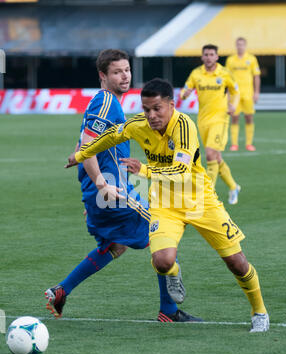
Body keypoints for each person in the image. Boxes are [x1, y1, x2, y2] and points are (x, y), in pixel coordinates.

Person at [65, 78, 270, 333]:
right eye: (146, 109)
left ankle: (259, 311)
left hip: (198, 199)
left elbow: (182, 171)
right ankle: (174, 272)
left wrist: (145, 170)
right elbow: (109, 137)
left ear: (171, 105)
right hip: (164, 203)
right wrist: (81, 155)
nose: (151, 115)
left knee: (236, 262)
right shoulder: (138, 124)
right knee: (162, 261)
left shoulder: (184, 125)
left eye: (157, 109)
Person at [45, 50, 201, 323]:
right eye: (117, 72)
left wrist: (93, 191)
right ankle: (169, 309)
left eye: (127, 70)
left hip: (113, 189)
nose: (125, 75)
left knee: (116, 246)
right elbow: (88, 144)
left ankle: (61, 290)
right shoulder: (105, 101)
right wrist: (102, 186)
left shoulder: (110, 104)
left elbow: (82, 146)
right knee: (161, 228)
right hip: (113, 189)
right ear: (103, 76)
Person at [180, 44, 241, 205]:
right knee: (216, 157)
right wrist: (184, 94)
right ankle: (234, 187)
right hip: (203, 120)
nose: (208, 57)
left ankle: (209, 194)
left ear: (217, 57)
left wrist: (233, 105)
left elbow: (236, 90)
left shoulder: (225, 74)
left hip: (220, 119)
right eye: (205, 54)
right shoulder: (196, 74)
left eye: (211, 54)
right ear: (202, 57)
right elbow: (184, 90)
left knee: (209, 154)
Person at [226, 37, 261, 151]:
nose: (240, 46)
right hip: (234, 94)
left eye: (242, 45)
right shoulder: (230, 60)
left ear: (245, 46)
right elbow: (227, 78)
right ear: (236, 46)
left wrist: (256, 92)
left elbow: (256, 76)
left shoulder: (251, 59)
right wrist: (227, 94)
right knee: (234, 117)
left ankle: (249, 144)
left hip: (248, 93)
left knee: (248, 117)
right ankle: (234, 144)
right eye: (238, 44)